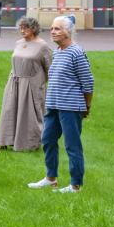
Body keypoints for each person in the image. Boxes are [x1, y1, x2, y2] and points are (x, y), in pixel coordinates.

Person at [28, 15, 94, 193]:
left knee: (72, 145)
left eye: (57, 28)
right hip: (54, 105)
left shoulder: (76, 52)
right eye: (51, 28)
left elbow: (88, 82)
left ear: (68, 32)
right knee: (48, 139)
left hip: (71, 107)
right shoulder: (58, 51)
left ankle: (75, 185)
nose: (52, 31)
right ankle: (51, 178)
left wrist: (87, 106)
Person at [0, 16, 52, 151]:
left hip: (32, 85)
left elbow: (50, 68)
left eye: (25, 27)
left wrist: (40, 84)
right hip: (14, 82)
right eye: (21, 28)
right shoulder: (19, 43)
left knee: (30, 115)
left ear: (33, 28)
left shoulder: (42, 46)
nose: (22, 30)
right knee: (9, 111)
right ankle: (4, 141)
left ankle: (29, 144)